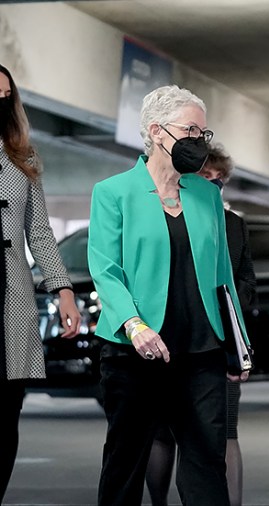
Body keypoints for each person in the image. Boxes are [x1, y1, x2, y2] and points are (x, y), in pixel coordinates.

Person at [88, 85, 249, 506]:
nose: (200, 141)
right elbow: (105, 270)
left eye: (204, 132)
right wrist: (134, 323)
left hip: (202, 351)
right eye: (191, 130)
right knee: (126, 461)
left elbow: (224, 278)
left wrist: (238, 345)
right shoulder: (113, 193)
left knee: (207, 462)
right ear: (157, 132)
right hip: (133, 351)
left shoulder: (207, 194)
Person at [145, 142, 256, 506]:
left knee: (225, 432)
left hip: (219, 340)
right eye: (204, 176)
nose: (212, 183)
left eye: (218, 179)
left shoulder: (234, 225)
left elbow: (244, 281)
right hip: (169, 339)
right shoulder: (163, 212)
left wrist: (235, 339)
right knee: (162, 433)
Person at [0, 64, 81, 502]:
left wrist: (63, 290)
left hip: (12, 294)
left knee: (7, 409)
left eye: (3, 95)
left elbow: (41, 233)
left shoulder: (23, 157)